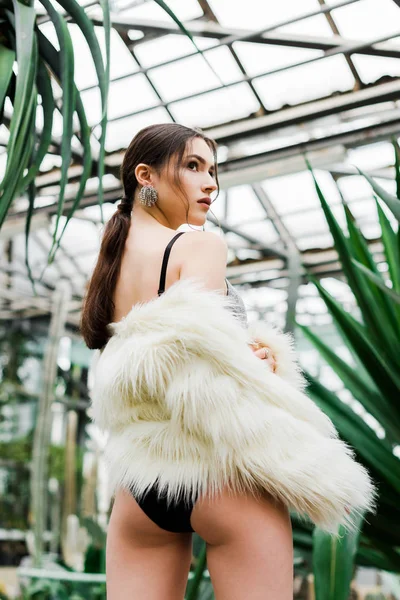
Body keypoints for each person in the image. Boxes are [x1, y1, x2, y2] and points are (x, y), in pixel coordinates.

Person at [80, 123, 375, 600]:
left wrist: (244, 356)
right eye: (193, 167)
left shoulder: (110, 262)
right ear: (145, 176)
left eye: (213, 170)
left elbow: (163, 358)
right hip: (221, 475)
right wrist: (261, 368)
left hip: (140, 487)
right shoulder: (199, 245)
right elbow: (209, 380)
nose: (211, 182)